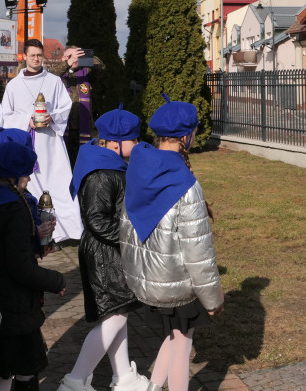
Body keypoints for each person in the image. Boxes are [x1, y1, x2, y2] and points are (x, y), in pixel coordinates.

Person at [118, 97, 223, 391]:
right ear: (187, 136)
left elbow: (126, 228)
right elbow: (198, 251)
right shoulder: (185, 183)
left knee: (172, 337)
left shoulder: (137, 167)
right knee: (182, 347)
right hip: (177, 284)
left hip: (149, 280)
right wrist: (213, 299)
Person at [58, 106, 148, 391]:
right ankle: (75, 380)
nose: (136, 144)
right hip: (104, 253)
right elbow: (96, 219)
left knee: (118, 313)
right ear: (113, 142)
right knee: (117, 314)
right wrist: (128, 240)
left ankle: (124, 377)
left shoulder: (109, 166)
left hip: (108, 250)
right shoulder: (100, 172)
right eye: (133, 139)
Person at [0, 137, 66, 391]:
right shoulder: (14, 208)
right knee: (23, 370)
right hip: (14, 304)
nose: (27, 182)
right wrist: (56, 280)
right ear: (14, 178)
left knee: (4, 370)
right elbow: (20, 266)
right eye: (26, 178)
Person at [0, 38, 81, 241]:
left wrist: (51, 116)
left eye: (39, 55)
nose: (36, 59)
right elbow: (5, 115)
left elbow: (65, 107)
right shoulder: (13, 85)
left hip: (51, 145)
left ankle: (67, 231)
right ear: (25, 56)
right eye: (32, 55)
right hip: (26, 144)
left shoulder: (54, 82)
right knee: (31, 185)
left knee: (59, 183)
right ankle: (36, 230)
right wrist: (26, 120)